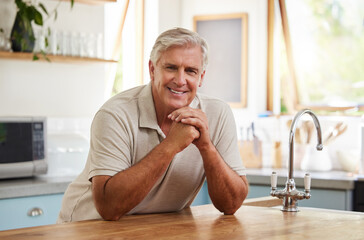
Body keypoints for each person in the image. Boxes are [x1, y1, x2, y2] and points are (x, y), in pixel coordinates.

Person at [57, 27, 249, 223]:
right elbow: (109, 208)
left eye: (190, 71)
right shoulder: (115, 114)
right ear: (152, 70)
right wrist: (171, 145)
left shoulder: (218, 114)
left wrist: (207, 147)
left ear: (201, 77)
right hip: (85, 227)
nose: (180, 80)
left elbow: (231, 204)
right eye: (171, 68)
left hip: (152, 229)